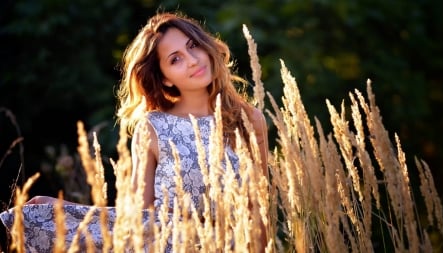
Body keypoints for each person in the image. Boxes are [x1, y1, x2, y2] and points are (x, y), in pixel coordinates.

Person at [1, 11, 269, 252]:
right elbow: (138, 216)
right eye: (175, 59)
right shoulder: (152, 127)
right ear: (164, 77)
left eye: (193, 46)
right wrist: (69, 212)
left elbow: (260, 209)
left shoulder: (248, 119)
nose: (192, 60)